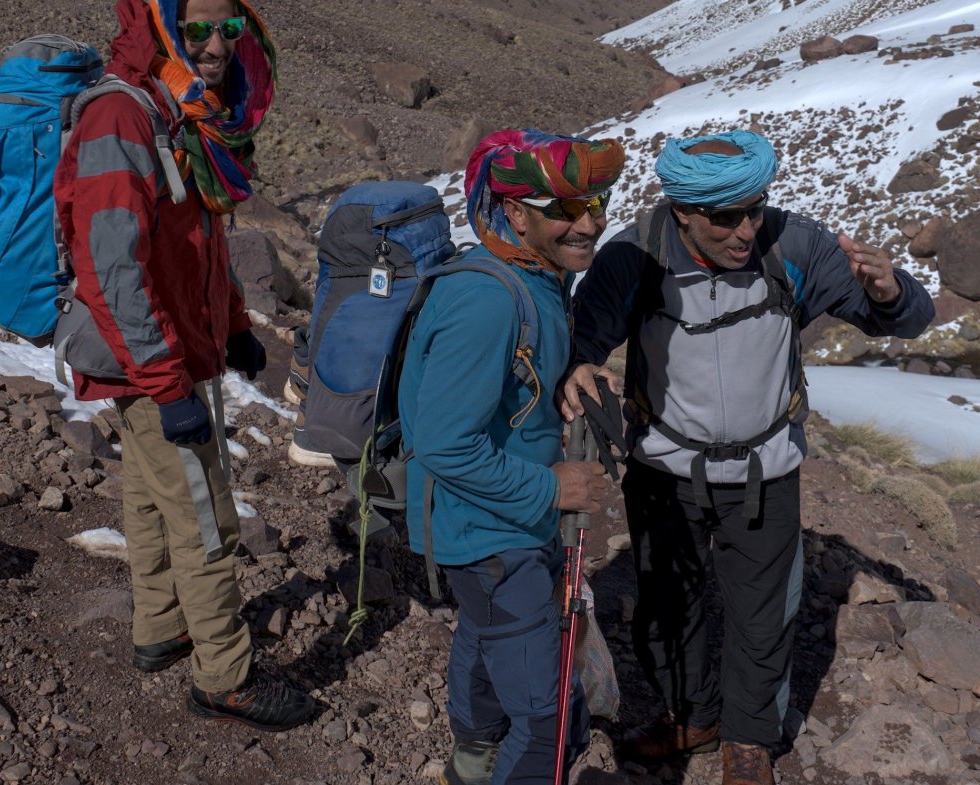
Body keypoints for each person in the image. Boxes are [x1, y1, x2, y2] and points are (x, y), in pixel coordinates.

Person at [563, 130, 934, 785]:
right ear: (682, 212)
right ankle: (692, 716)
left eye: (754, 208)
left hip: (766, 469)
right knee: (665, 607)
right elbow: (584, 338)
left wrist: (887, 293)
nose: (745, 230)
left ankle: (749, 742)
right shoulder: (633, 254)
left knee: (763, 613)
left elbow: (901, 320)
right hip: (663, 468)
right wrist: (578, 372)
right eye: (725, 217)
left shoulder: (794, 244)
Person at [54, 0, 312, 731]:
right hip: (146, 353)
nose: (215, 43)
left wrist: (232, 324)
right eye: (197, 26)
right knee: (204, 511)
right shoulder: (123, 117)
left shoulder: (178, 117)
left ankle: (160, 628)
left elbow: (201, 241)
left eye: (227, 27)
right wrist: (167, 381)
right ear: (166, 25)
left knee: (151, 490)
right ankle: (224, 676)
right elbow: (112, 264)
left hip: (166, 347)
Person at [400, 129, 625, 785]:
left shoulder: (535, 278)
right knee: (546, 717)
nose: (590, 221)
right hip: (492, 528)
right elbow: (445, 442)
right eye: (566, 207)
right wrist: (551, 488)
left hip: (485, 525)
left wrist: (566, 380)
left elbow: (507, 386)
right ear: (519, 214)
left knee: (484, 627)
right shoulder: (489, 302)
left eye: (597, 201)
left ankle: (472, 759)